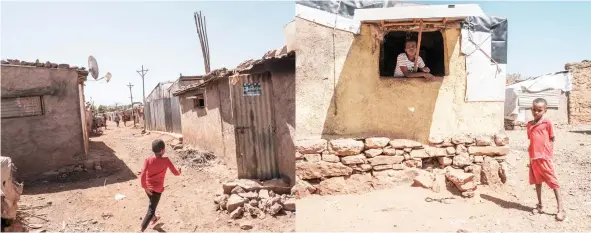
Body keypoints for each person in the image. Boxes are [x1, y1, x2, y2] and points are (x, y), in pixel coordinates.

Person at [527, 98, 565, 221]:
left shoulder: (547, 123)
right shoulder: (529, 125)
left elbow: (552, 138)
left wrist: (547, 153)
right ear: (531, 109)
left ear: (545, 110)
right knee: (538, 182)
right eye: (534, 109)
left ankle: (561, 209)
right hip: (534, 158)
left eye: (539, 110)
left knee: (553, 182)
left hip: (545, 158)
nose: (536, 112)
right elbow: (531, 140)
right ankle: (540, 205)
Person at [139, 139, 182, 232]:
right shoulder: (166, 160)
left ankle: (154, 218)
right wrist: (179, 172)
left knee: (152, 203)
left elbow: (142, 174)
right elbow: (175, 173)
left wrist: (145, 187)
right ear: (162, 150)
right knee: (151, 209)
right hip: (157, 190)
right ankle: (141, 229)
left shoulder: (148, 160)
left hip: (147, 188)